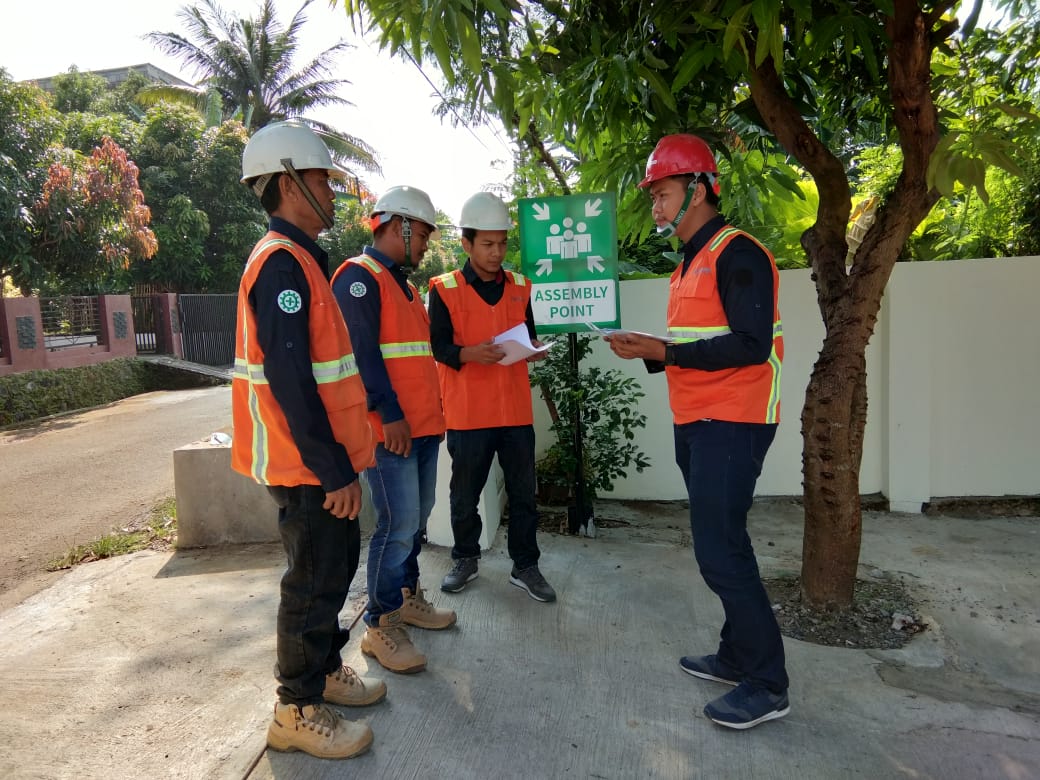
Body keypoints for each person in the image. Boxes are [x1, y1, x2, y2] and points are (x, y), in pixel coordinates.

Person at [605, 133, 789, 730]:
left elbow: (750, 345)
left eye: (663, 192)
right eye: (654, 194)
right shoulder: (688, 263)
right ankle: (736, 655)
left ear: (700, 189)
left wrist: (663, 351)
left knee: (719, 552)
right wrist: (652, 350)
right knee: (724, 541)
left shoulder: (739, 253)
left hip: (734, 421)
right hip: (699, 419)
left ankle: (767, 683)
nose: (655, 204)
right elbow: (693, 344)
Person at [231, 120, 384, 760]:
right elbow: (291, 380)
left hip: (323, 461)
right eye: (322, 179)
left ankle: (320, 672)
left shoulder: (301, 262)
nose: (331, 191)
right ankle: (294, 709)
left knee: (334, 571)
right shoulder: (280, 265)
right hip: (307, 466)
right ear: (290, 183)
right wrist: (333, 471)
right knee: (312, 584)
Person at [331, 185, 456, 675]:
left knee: (415, 520)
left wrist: (431, 418)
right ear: (398, 226)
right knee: (397, 526)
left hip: (421, 428)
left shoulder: (402, 286)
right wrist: (387, 414)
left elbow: (415, 361)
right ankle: (380, 623)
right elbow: (362, 356)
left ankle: (405, 596)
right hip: (392, 431)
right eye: (421, 234)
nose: (425, 245)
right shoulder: (358, 279)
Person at [427, 192, 557, 603]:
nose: (496, 252)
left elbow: (528, 335)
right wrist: (470, 354)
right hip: (468, 414)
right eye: (487, 243)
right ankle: (465, 559)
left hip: (515, 412)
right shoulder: (444, 289)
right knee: (464, 497)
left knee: (523, 494)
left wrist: (534, 349)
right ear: (466, 243)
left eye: (501, 243)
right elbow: (439, 347)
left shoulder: (520, 287)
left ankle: (526, 566)